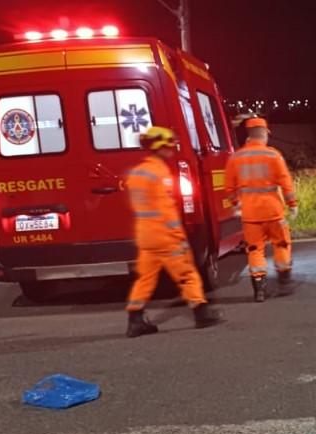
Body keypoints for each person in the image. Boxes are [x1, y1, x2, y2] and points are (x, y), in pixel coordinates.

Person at [124, 126, 222, 338]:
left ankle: (135, 319)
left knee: (145, 279)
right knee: (187, 274)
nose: (172, 149)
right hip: (165, 236)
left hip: (146, 235)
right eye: (169, 145)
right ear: (159, 146)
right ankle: (201, 313)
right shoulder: (159, 172)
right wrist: (180, 238)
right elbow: (165, 210)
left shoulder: (138, 173)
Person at [224, 116, 298, 302]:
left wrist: (236, 204)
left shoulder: (236, 158)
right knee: (281, 244)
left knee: (255, 250)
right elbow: (286, 183)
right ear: (264, 134)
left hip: (250, 215)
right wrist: (292, 205)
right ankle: (284, 281)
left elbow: (229, 188)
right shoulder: (273, 155)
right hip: (273, 211)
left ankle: (259, 290)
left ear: (249, 135)